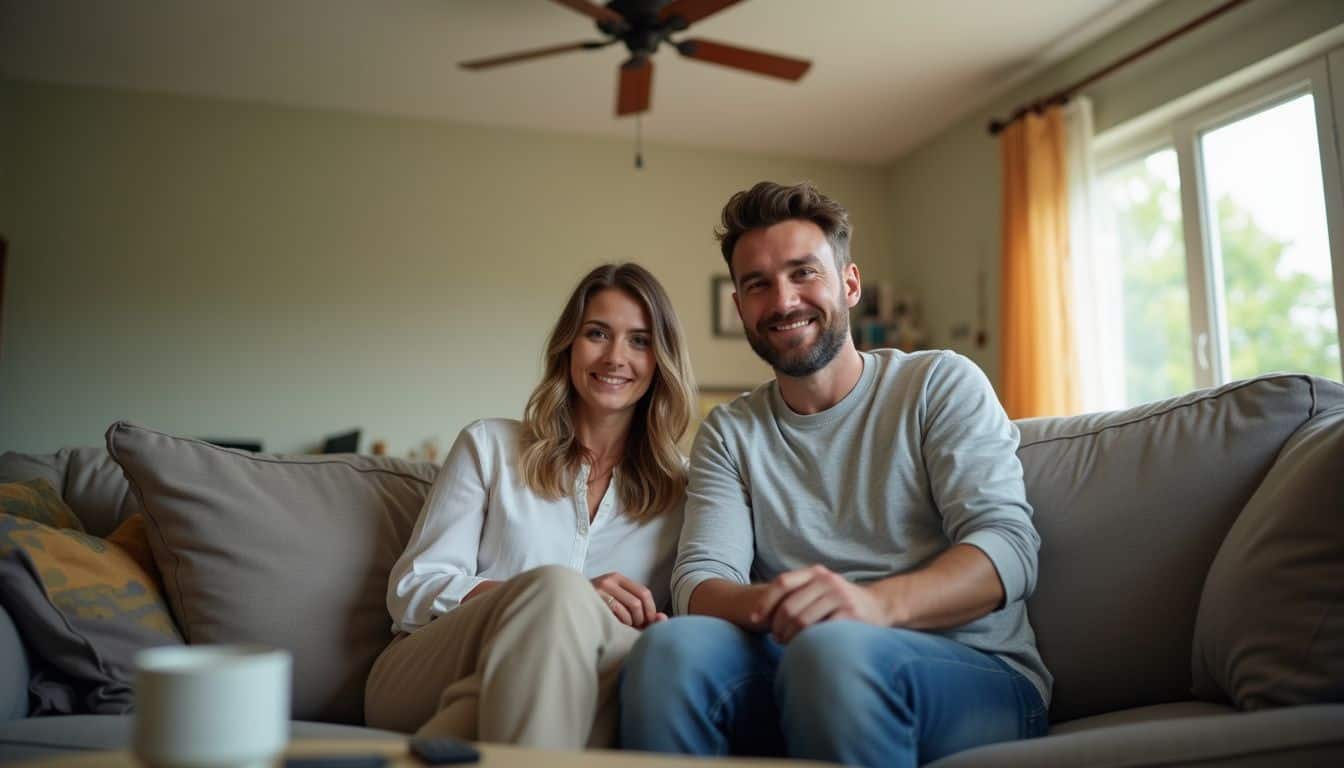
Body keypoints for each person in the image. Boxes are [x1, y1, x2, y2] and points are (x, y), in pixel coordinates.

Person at [620, 182, 1050, 767]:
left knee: (833, 652)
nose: (783, 300)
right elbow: (699, 583)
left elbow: (1007, 549)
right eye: (758, 285)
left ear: (849, 284)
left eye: (804, 273)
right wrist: (783, 602)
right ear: (741, 306)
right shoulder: (730, 431)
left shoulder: (939, 383)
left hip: (973, 671)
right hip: (802, 658)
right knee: (669, 648)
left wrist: (870, 607)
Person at [365, 263, 695, 749]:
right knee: (560, 595)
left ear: (661, 359)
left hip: (575, 682)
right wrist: (547, 597)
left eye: (640, 341)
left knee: (607, 659)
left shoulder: (683, 489)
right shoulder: (489, 445)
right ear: (568, 346)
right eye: (597, 333)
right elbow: (413, 591)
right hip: (426, 668)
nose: (616, 357)